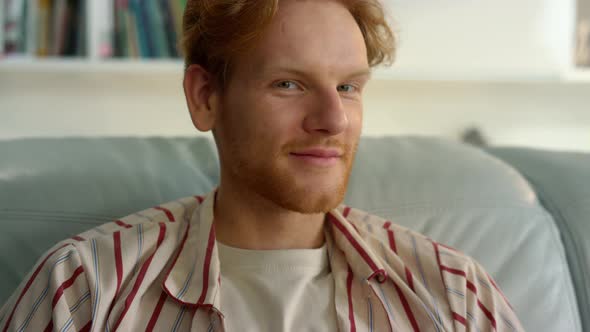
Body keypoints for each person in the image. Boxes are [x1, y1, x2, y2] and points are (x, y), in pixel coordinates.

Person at [0, 0, 524, 331]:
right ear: (206, 96)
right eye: (289, 84)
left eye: (348, 87)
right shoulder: (83, 288)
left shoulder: (455, 294)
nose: (333, 119)